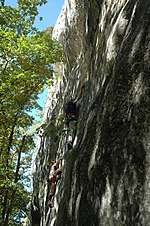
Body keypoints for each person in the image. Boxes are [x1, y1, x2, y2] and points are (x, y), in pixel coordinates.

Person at [65, 85, 85, 149]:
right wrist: (81, 89)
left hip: (69, 119)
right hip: (72, 118)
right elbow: (79, 97)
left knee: (71, 129)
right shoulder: (71, 103)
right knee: (72, 129)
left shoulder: (67, 107)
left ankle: (69, 141)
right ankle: (70, 142)